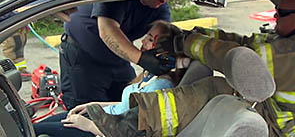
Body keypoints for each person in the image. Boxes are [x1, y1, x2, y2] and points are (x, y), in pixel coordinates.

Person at [86, 0, 295, 137]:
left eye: (282, 12)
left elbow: (243, 58)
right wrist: (188, 34)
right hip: (278, 114)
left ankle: (136, 126)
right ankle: (135, 124)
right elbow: (242, 41)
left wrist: (182, 41)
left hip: (290, 130)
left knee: (218, 88)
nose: (275, 15)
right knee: (218, 87)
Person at [34, 20, 190, 137]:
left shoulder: (160, 86)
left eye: (150, 40)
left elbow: (135, 130)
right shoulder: (149, 77)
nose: (142, 42)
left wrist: (88, 125)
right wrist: (93, 105)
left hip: (104, 129)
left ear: (163, 52)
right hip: (101, 118)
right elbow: (126, 106)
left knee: (34, 131)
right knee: (34, 126)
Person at [60, 0, 172, 110]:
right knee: (84, 114)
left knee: (130, 104)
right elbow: (107, 30)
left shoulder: (160, 7)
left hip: (119, 56)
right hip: (83, 57)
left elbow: (166, 37)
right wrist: (143, 59)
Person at [0, 0, 55, 80]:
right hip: (9, 11)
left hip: (19, 10)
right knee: (11, 41)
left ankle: (20, 69)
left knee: (21, 40)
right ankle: (12, 71)